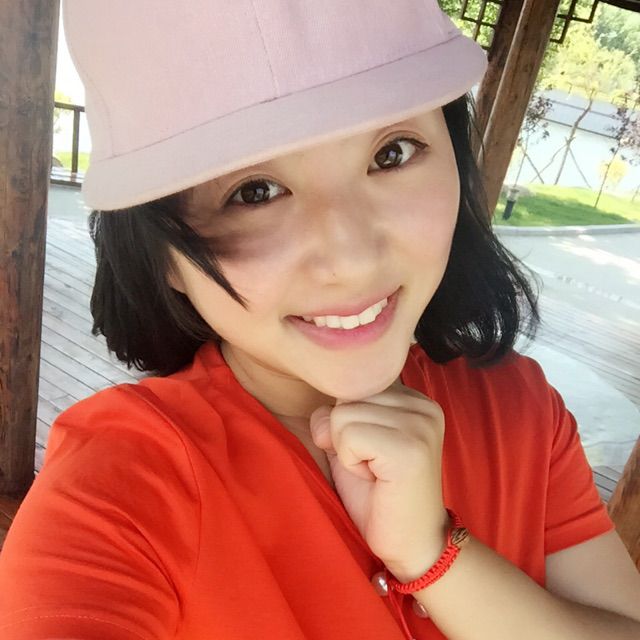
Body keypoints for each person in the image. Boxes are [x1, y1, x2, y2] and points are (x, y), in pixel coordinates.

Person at [1, 1, 639, 638]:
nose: (352, 257)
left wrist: (433, 556)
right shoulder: (119, 492)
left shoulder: (520, 413)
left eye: (392, 153)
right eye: (253, 193)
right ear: (159, 253)